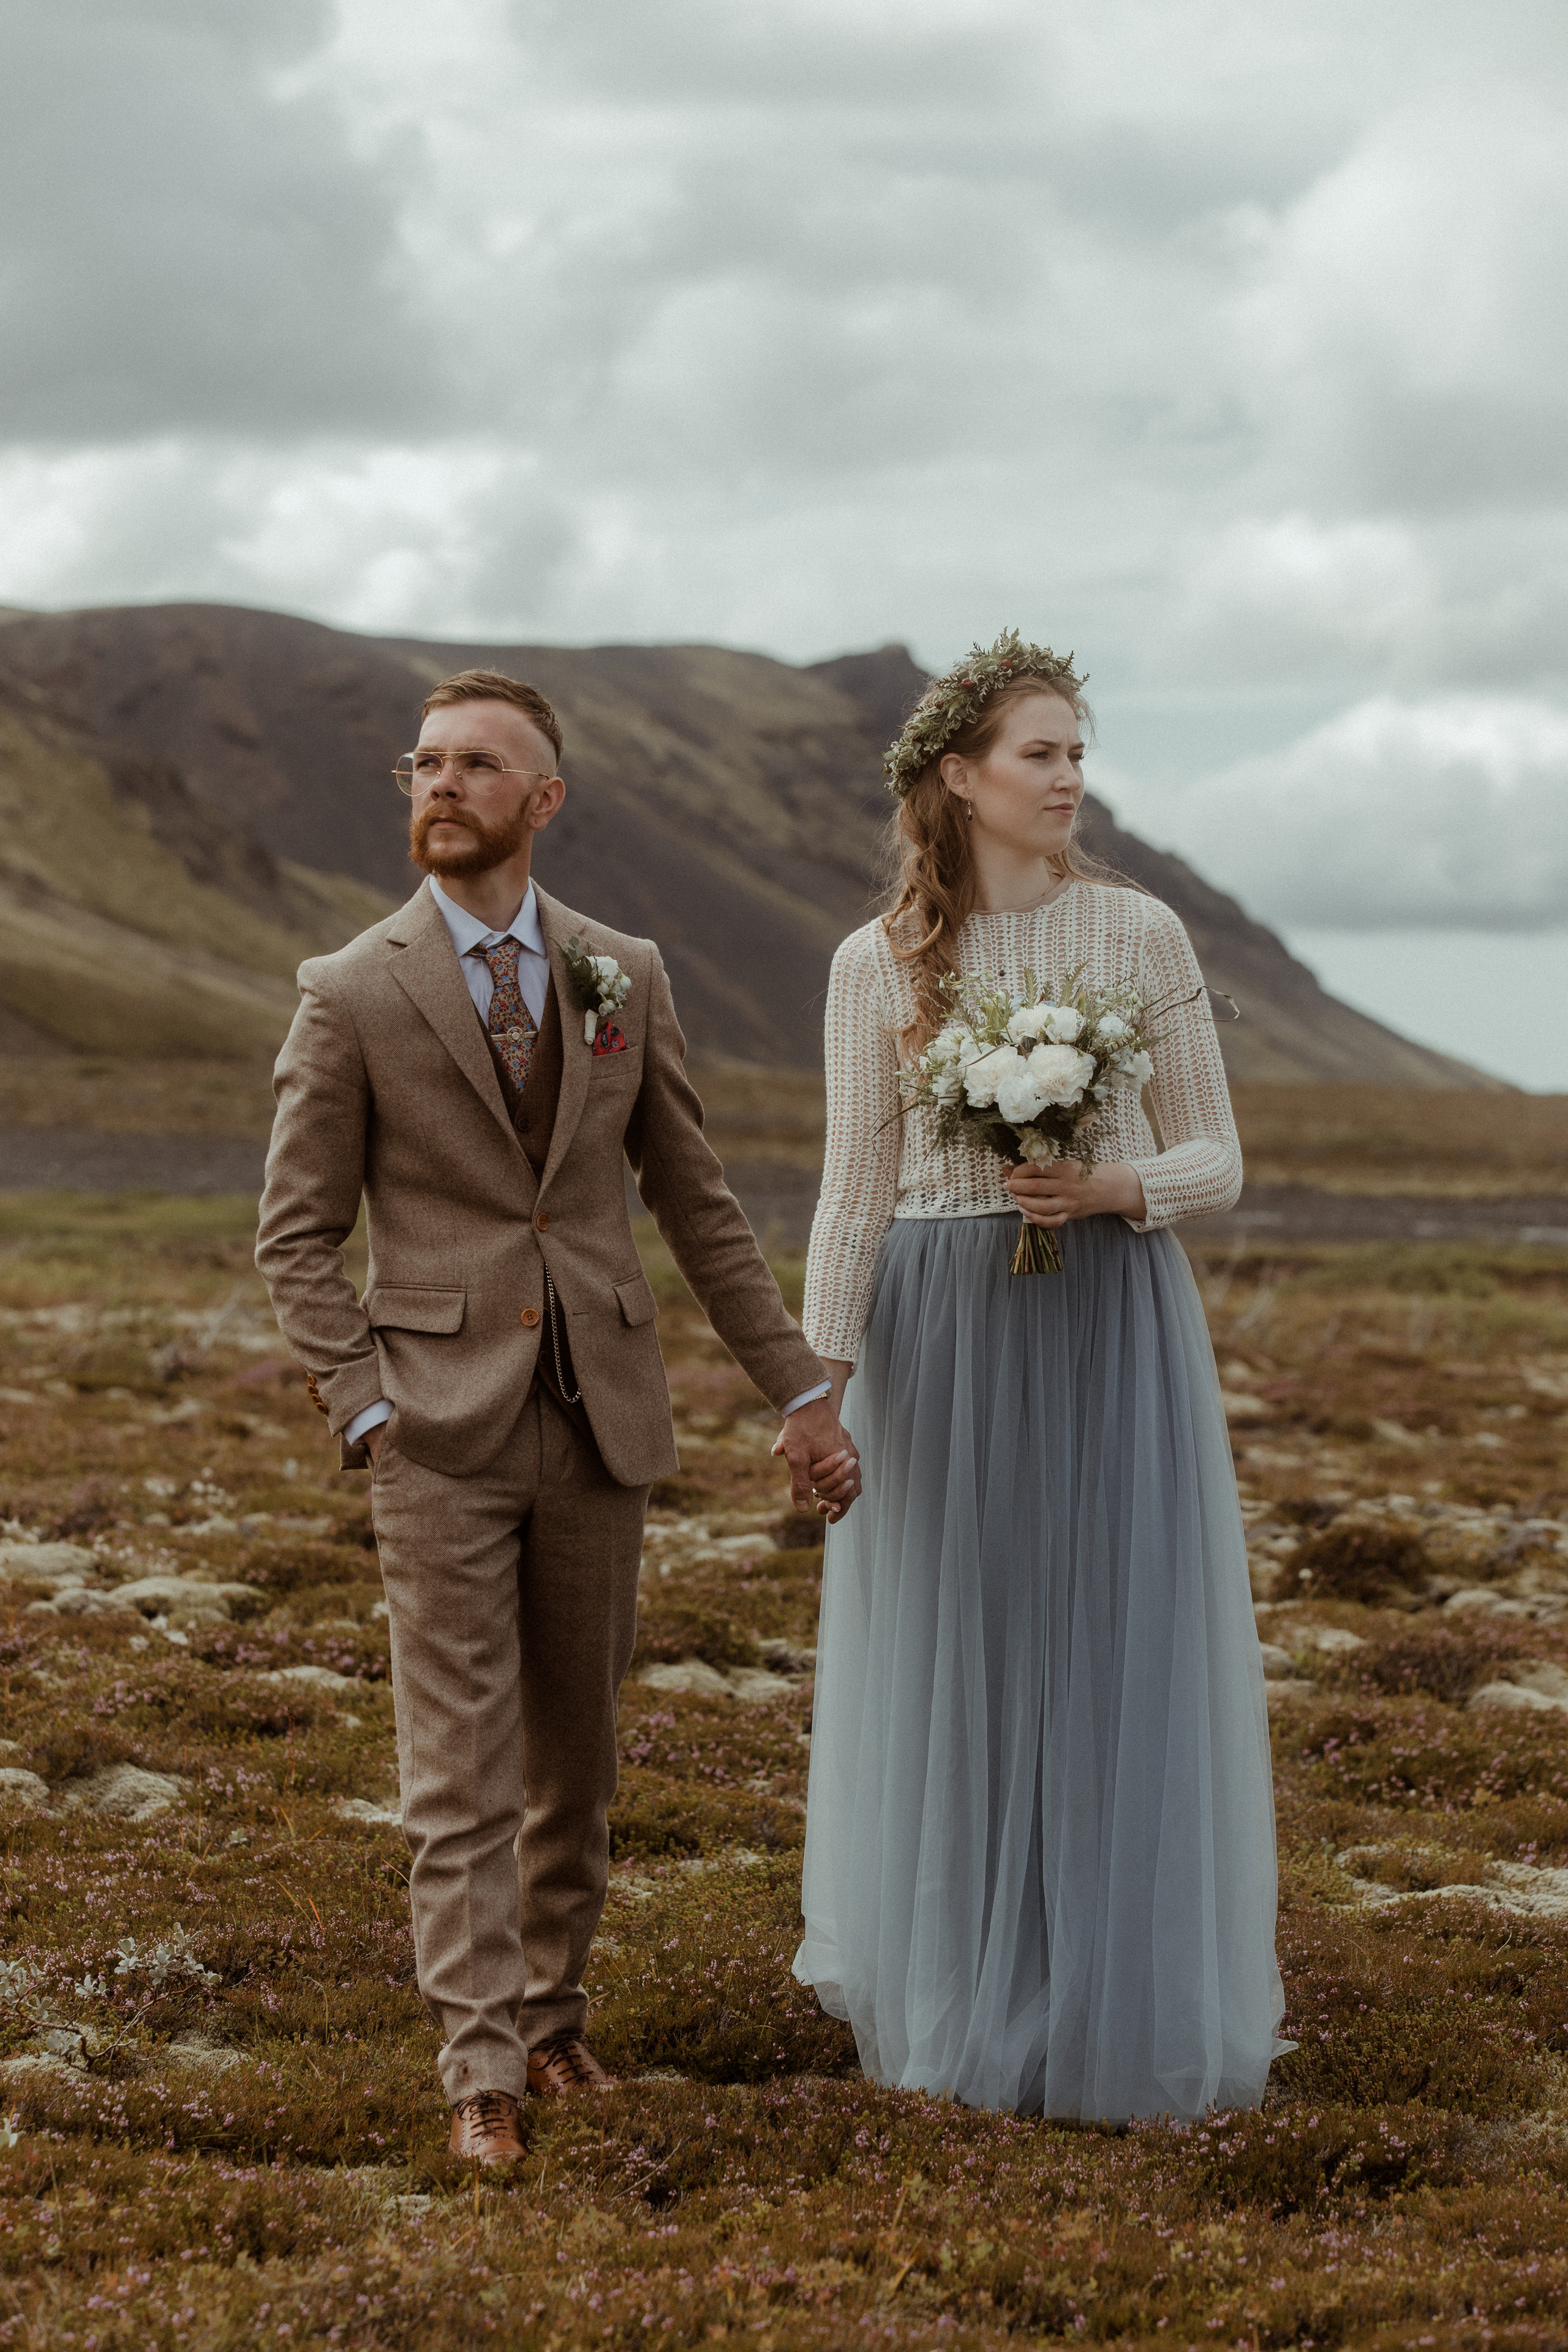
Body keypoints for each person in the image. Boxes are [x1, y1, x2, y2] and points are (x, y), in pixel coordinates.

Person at [255, 669, 859, 2165]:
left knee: (576, 1760)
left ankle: (552, 2020)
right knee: (458, 1767)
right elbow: (294, 1234)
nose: (441, 786)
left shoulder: (619, 971)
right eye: (426, 763)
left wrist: (796, 1383)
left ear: (545, 800)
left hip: (602, 1420)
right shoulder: (350, 989)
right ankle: (480, 2074)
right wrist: (364, 1408)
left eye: (477, 766)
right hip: (435, 1434)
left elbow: (695, 1202)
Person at [792, 632, 1287, 2122]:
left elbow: (1219, 1158)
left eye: (1078, 752)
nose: (1070, 778)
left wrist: (1113, 1189)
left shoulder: (1138, 937)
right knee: (960, 1650)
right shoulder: (869, 962)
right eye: (1040, 754)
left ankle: (1110, 2006)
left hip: (1106, 1318)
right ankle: (971, 2007)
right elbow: (849, 1187)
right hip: (938, 1330)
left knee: (1109, 1646)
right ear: (958, 777)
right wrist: (815, 1384)